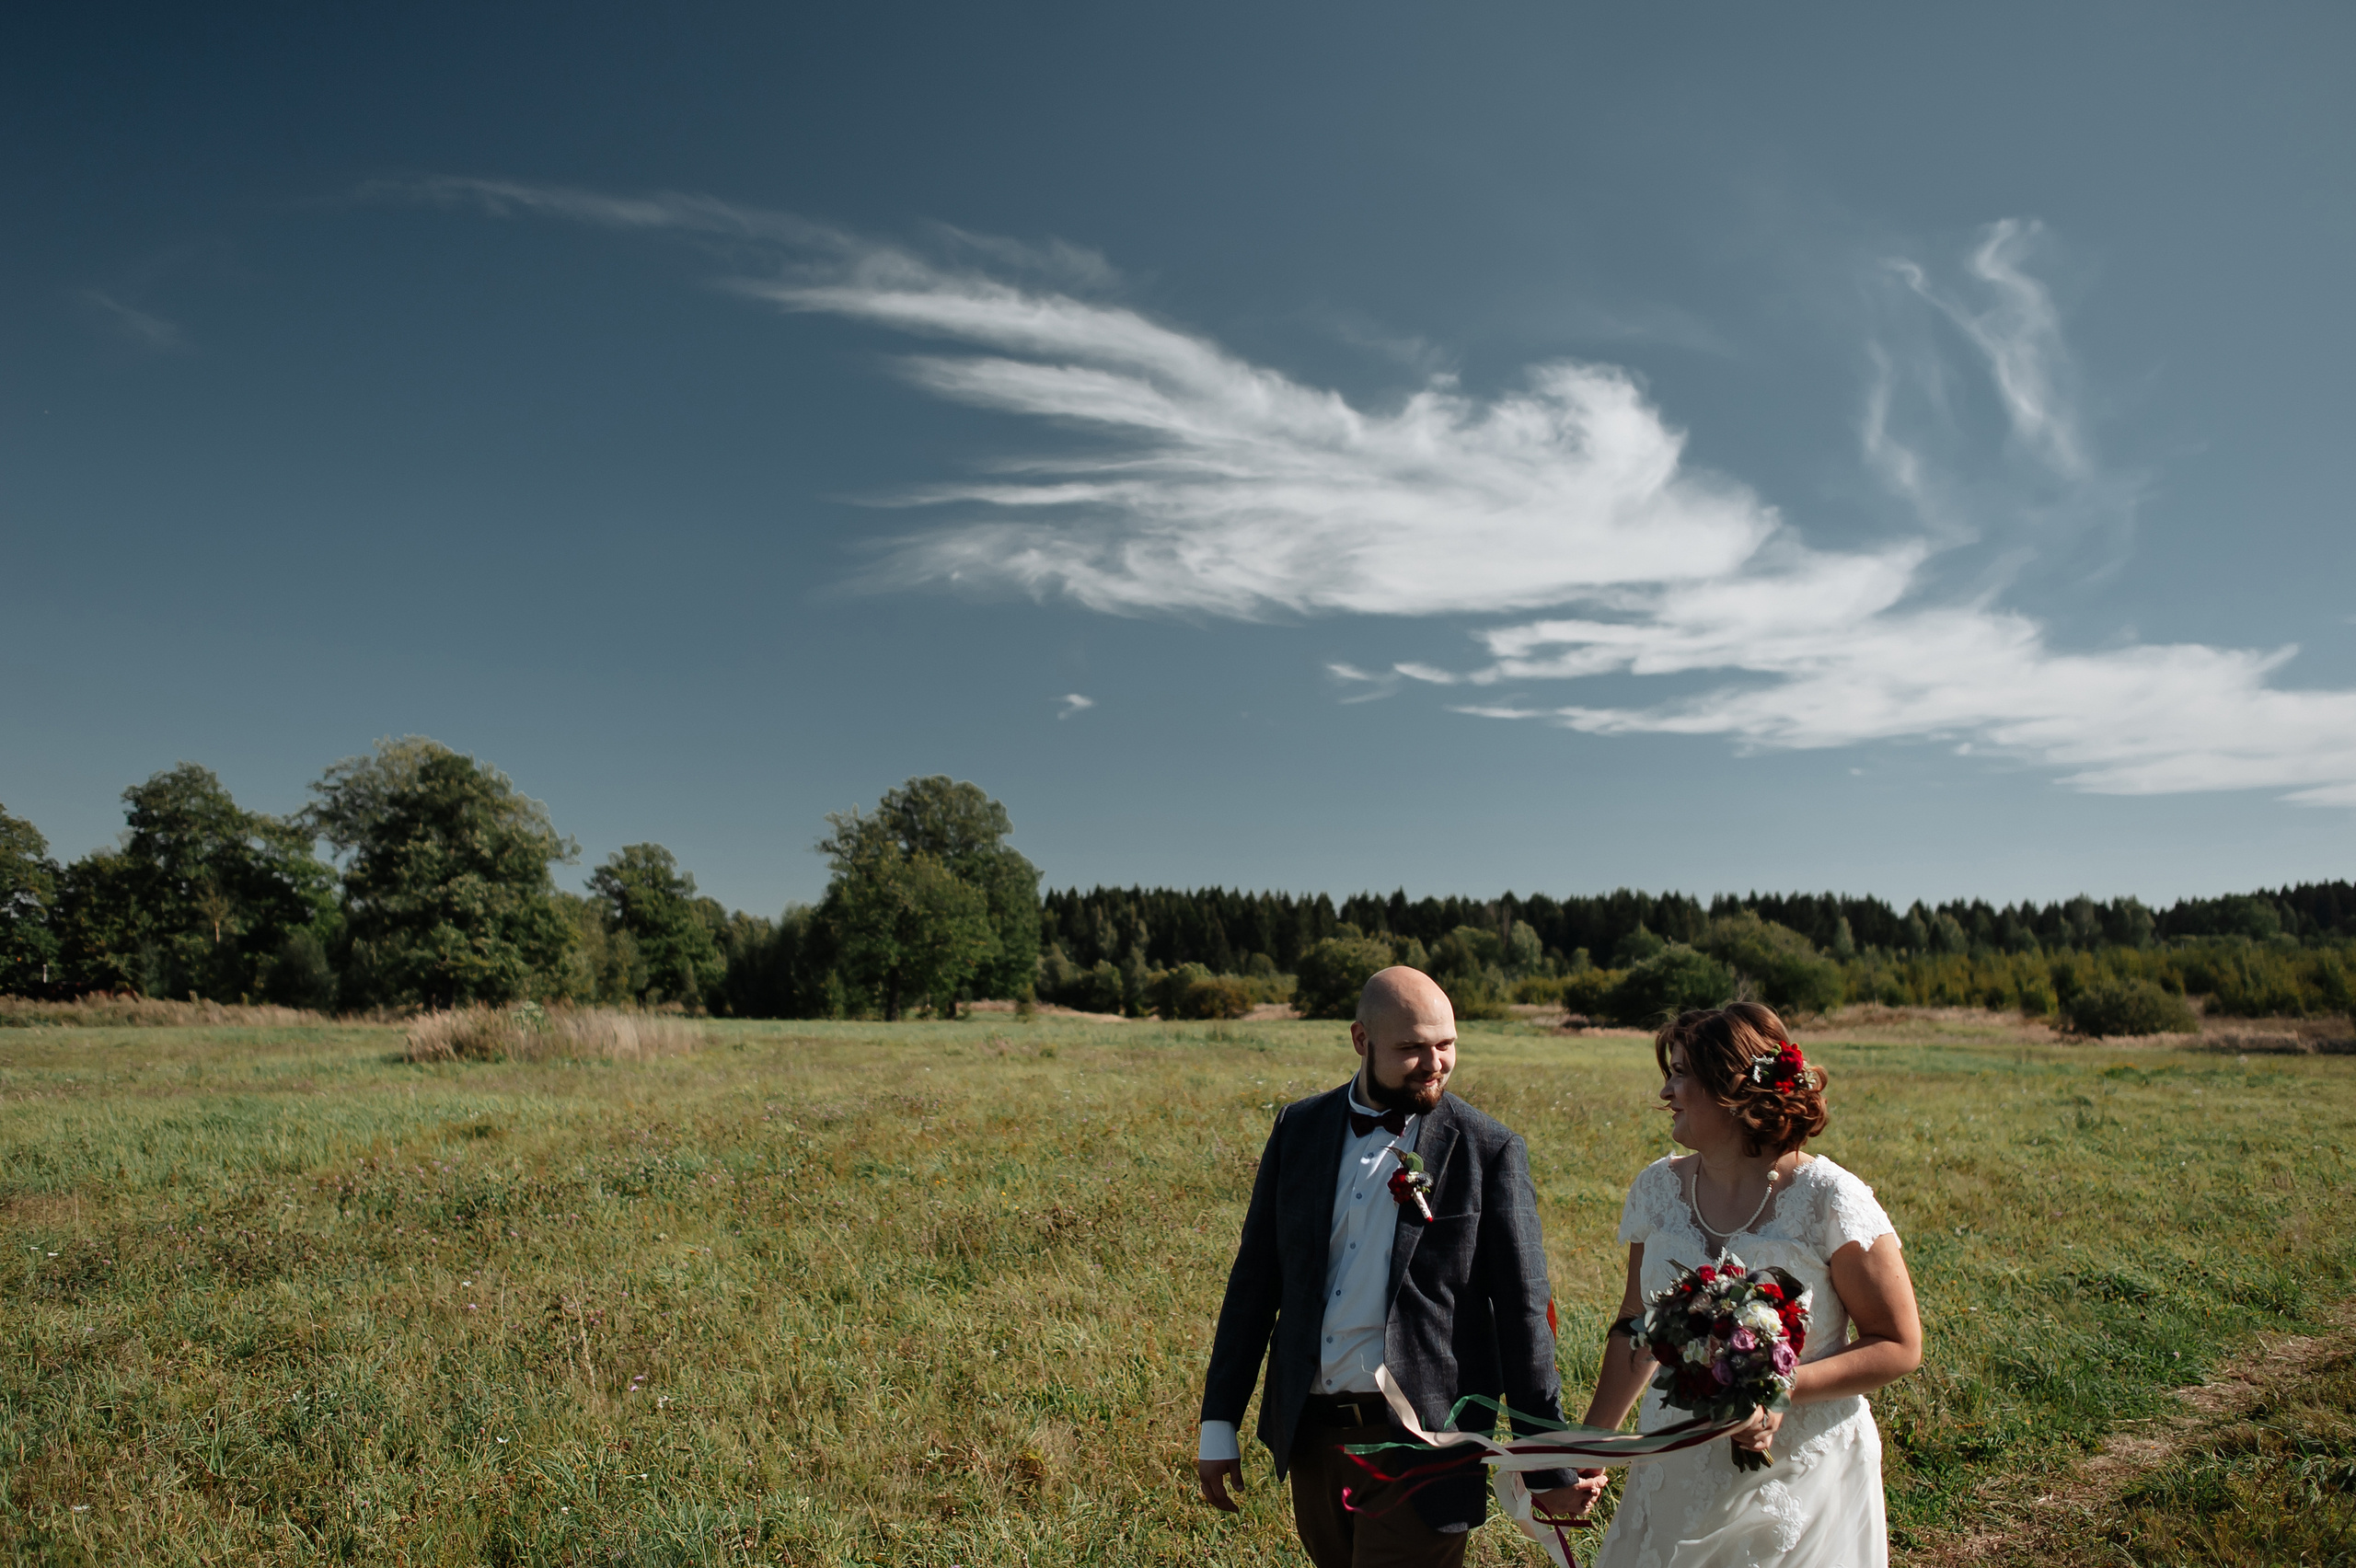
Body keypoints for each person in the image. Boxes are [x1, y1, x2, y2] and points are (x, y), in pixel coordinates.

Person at [1196, 966, 1588, 1567]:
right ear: (1361, 1040)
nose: (1434, 1063)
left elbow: (1524, 1315)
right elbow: (1254, 1284)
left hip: (1426, 1443)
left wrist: (1548, 1460)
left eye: (1446, 1044)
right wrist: (1219, 1424)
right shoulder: (1297, 1129)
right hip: (1314, 1437)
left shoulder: (1488, 1148)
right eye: (1411, 1048)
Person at [1564, 1001, 1923, 1568]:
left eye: (1680, 1074)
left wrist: (1779, 1387)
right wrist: (1589, 1446)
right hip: (1674, 1464)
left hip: (1798, 1476)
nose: (1666, 1093)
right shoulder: (1657, 1190)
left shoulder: (1829, 1199)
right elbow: (1636, 1325)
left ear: (1732, 1091)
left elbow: (1898, 1344)